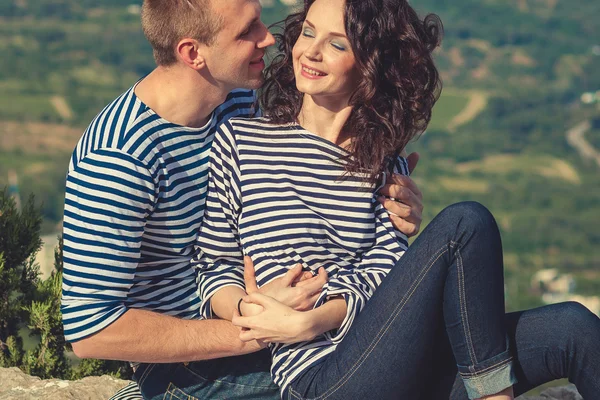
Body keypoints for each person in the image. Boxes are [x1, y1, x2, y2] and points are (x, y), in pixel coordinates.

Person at [195, 0, 600, 399]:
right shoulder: (243, 141)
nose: (311, 51)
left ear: (371, 65)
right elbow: (213, 265)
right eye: (308, 32)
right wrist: (248, 310)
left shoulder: (383, 165)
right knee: (465, 223)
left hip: (396, 354)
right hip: (322, 379)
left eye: (337, 44)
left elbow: (385, 274)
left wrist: (317, 319)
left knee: (572, 325)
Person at [59, 0, 425, 399]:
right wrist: (253, 328)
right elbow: (91, 331)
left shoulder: (234, 101)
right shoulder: (119, 158)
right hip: (196, 364)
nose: (268, 38)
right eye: (247, 31)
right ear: (193, 53)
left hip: (271, 333)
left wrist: (386, 206)